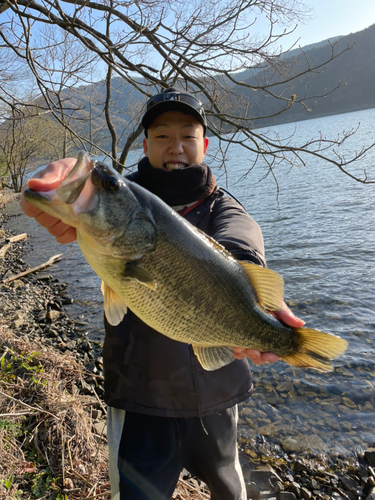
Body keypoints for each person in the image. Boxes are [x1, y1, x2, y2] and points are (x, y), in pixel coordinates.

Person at [21, 88, 304, 500]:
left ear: (204, 145)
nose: (176, 146)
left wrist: (258, 315)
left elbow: (241, 247)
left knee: (230, 488)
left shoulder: (225, 208)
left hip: (217, 394)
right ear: (145, 143)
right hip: (140, 397)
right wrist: (52, 190)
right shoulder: (118, 198)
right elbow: (61, 194)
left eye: (188, 136)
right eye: (162, 135)